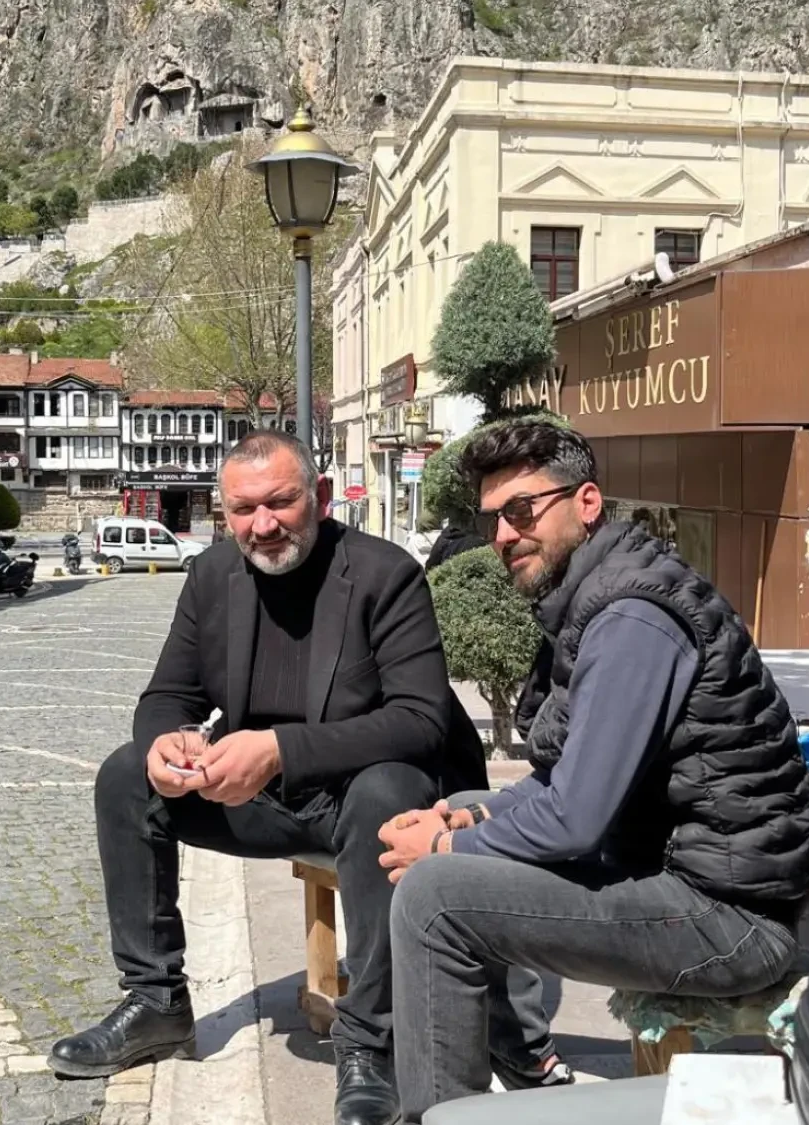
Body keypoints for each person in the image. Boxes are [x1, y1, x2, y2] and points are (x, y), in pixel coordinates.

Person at [379, 420, 809, 1123]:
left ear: (586, 502)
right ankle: (515, 1053)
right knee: (465, 799)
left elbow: (574, 818)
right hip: (675, 872)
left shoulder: (632, 618)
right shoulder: (596, 595)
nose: (503, 535)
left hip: (730, 918)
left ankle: (443, 1111)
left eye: (522, 510)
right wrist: (466, 818)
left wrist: (442, 845)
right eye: (492, 519)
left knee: (433, 897)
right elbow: (563, 779)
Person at [51, 431, 491, 1125]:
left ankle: (370, 1042)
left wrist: (280, 749)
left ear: (319, 496)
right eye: (243, 509)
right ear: (224, 511)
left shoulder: (387, 573)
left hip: (361, 799)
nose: (263, 525)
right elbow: (167, 694)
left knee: (390, 789)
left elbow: (421, 720)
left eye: (281, 502)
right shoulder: (211, 574)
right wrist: (165, 743)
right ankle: (156, 1000)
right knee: (125, 777)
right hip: (259, 799)